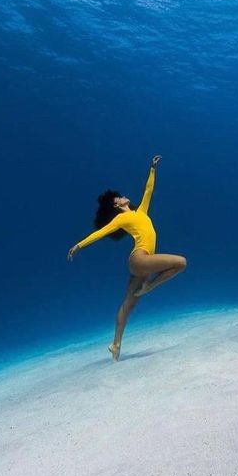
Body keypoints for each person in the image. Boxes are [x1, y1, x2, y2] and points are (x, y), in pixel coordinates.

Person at [67, 155, 187, 361]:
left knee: (128, 304)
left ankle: (115, 344)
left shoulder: (141, 211)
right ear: (117, 205)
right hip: (139, 259)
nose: (123, 197)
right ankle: (149, 287)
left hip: (140, 264)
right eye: (119, 198)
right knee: (181, 262)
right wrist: (78, 245)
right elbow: (101, 233)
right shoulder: (121, 217)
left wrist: (152, 169)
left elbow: (148, 190)